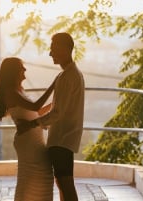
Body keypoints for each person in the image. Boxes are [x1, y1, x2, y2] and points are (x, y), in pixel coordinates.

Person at [17, 32, 85, 201]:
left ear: (64, 49)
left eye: (53, 48)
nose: (50, 53)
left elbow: (57, 113)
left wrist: (31, 124)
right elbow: (58, 107)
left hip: (62, 138)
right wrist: (38, 115)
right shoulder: (70, 74)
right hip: (64, 137)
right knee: (63, 183)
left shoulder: (67, 76)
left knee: (66, 184)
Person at [0, 57, 56, 201]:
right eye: (22, 67)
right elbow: (36, 107)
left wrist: (57, 101)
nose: (25, 69)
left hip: (35, 142)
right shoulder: (11, 92)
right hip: (28, 144)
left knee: (43, 179)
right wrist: (54, 86)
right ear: (14, 71)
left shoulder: (19, 90)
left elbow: (37, 113)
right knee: (31, 181)